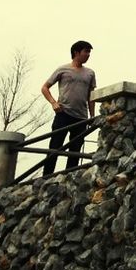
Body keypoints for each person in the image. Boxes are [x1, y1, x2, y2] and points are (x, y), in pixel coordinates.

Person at [40, 41, 96, 175]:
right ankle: (46, 177)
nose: (88, 55)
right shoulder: (63, 69)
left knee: (75, 150)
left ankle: (69, 176)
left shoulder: (90, 73)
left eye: (89, 52)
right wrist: (53, 103)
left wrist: (92, 116)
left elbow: (91, 96)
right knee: (55, 146)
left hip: (81, 117)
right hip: (63, 113)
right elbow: (44, 88)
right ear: (76, 53)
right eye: (86, 51)